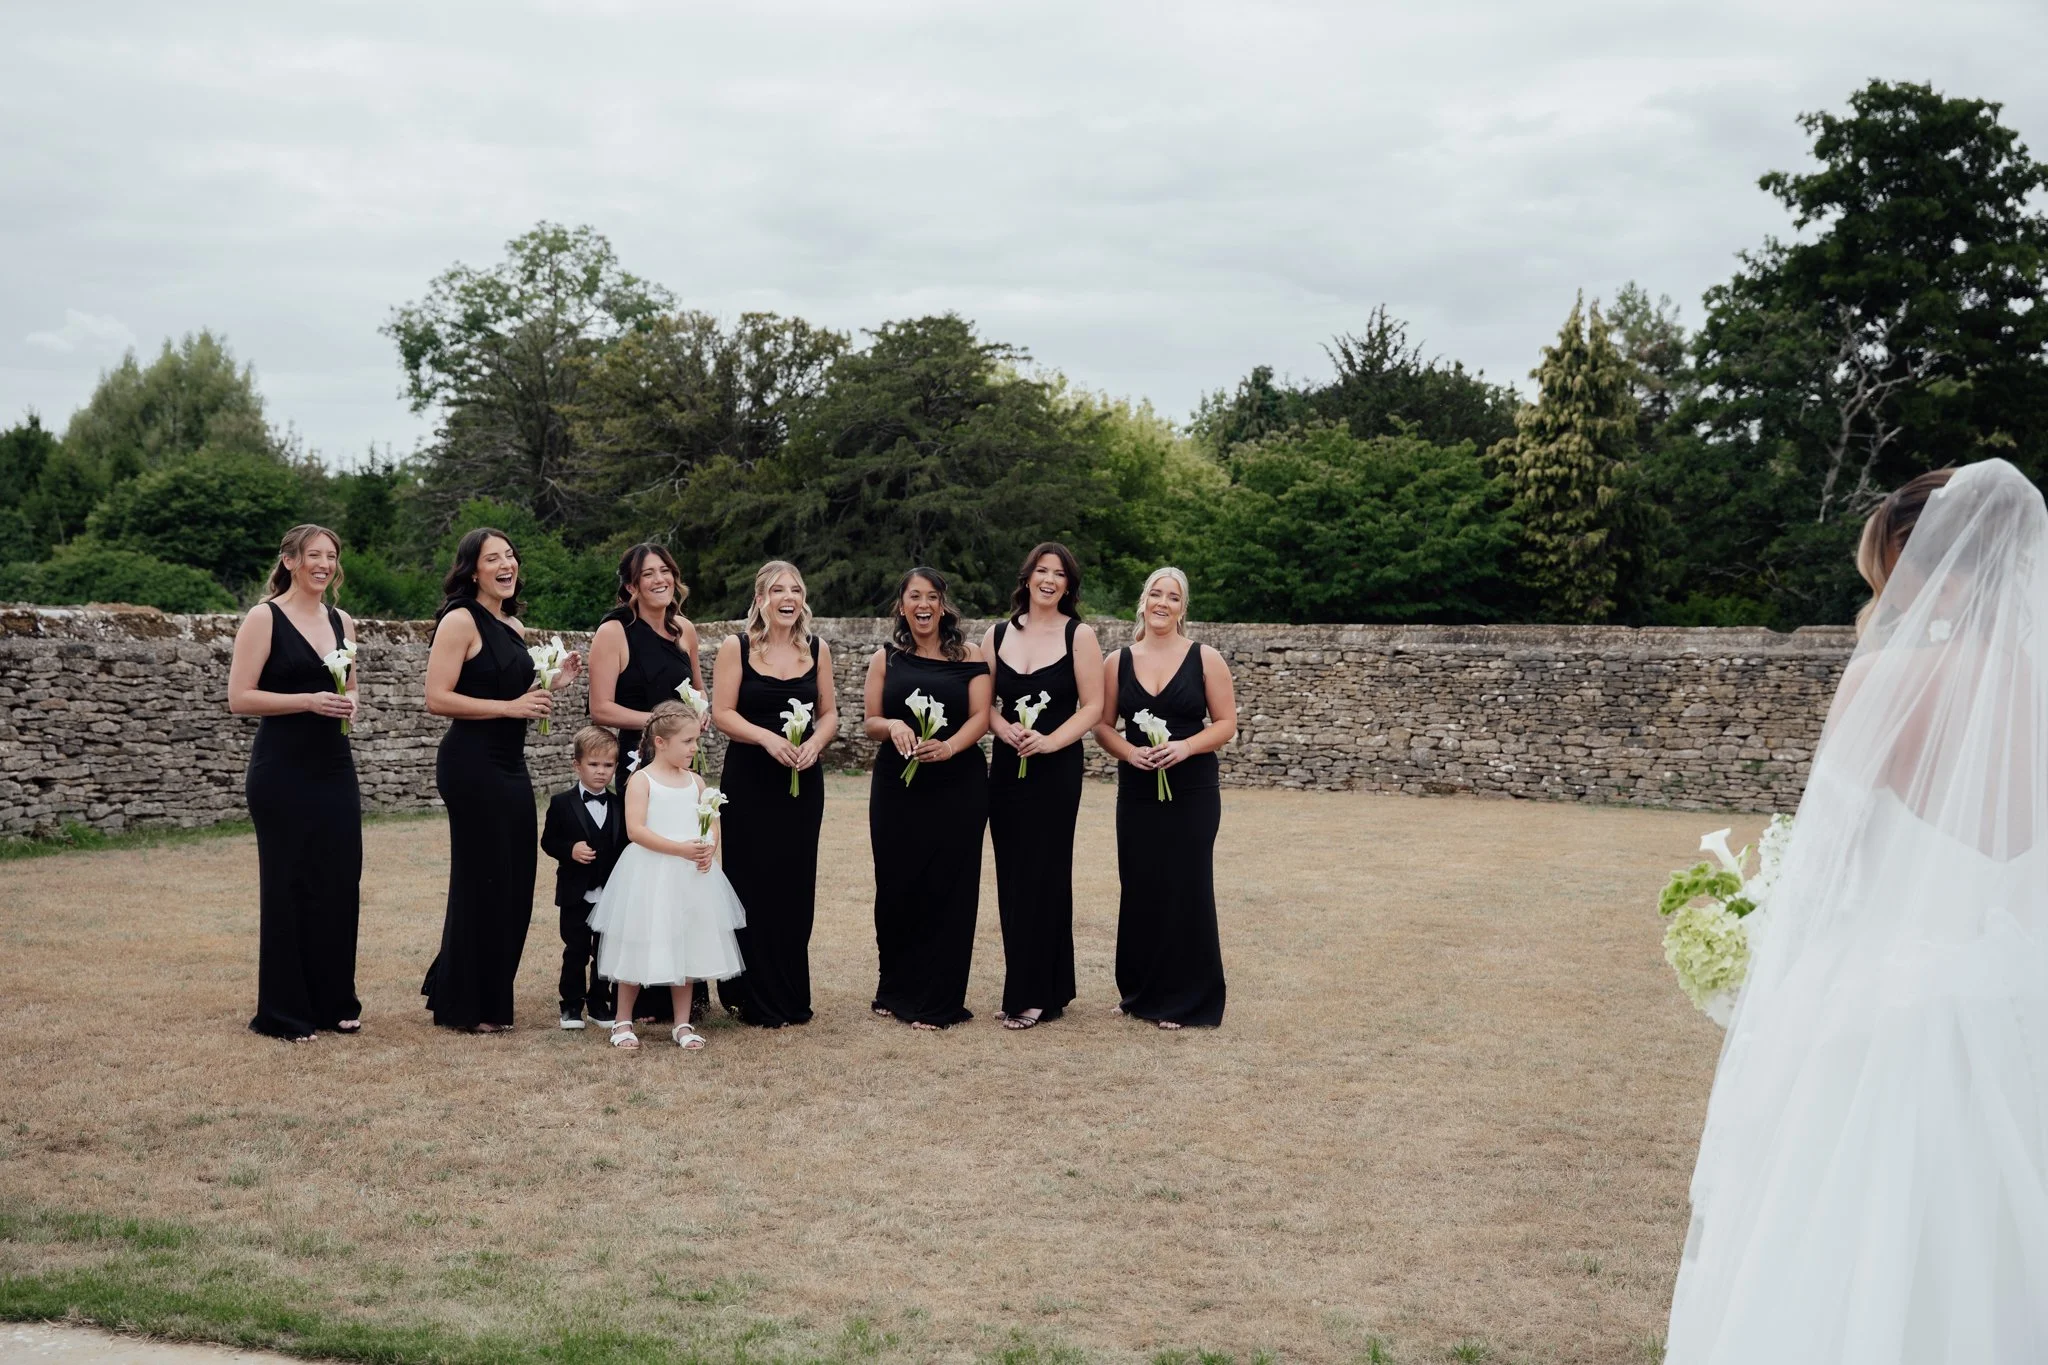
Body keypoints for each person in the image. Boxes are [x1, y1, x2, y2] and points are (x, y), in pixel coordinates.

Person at [1666, 460, 2048, 1362]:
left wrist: (1754, 930)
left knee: (1846, 1266)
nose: (1886, 600)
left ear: (1938, 570)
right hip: (2017, 1015)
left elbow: (1822, 874)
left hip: (1888, 1027)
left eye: (1890, 577)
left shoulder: (1891, 681)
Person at [420, 527, 581, 1033]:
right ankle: (467, 1004)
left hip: (510, 763)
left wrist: (552, 682)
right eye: (494, 558)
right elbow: (438, 697)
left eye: (510, 555)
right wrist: (511, 707)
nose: (506, 564)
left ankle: (479, 990)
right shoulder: (460, 619)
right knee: (483, 880)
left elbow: (511, 688)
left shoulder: (511, 624)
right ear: (473, 570)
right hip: (471, 763)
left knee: (514, 882)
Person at [226, 524, 363, 1042]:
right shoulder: (264, 618)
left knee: (338, 880)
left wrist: (350, 704)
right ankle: (284, 1011)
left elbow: (351, 686)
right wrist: (306, 701)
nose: (323, 564)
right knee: (288, 884)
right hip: (281, 770)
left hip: (334, 766)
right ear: (289, 561)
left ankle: (333, 1002)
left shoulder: (341, 619)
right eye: (313, 556)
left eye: (331, 556)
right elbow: (239, 697)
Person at [1092, 567, 1236, 1029]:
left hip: (1193, 789)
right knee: (1140, 885)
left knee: (1186, 887)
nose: (1163, 603)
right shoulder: (1117, 662)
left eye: (1173, 597)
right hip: (1137, 790)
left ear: (1182, 608)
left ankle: (1187, 1000)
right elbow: (1101, 725)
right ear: (1143, 601)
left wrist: (1185, 746)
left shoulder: (1205, 658)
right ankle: (1137, 992)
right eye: (1156, 594)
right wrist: (1130, 752)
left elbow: (1225, 724)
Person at [863, 566, 993, 1029]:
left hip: (958, 785)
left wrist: (951, 746)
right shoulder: (887, 658)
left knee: (950, 889)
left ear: (943, 605)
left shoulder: (970, 655)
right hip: (898, 785)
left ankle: (940, 1000)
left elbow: (981, 715)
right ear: (901, 605)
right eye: (914, 596)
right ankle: (894, 988)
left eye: (932, 597)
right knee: (897, 885)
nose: (923, 605)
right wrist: (895, 725)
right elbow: (871, 719)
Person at [711, 561, 839, 1027]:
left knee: (793, 885)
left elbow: (829, 714)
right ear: (760, 598)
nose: (788, 597)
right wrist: (766, 738)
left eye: (796, 589)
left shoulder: (817, 649)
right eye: (778, 589)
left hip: (803, 782)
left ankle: (790, 994)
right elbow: (722, 712)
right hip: (750, 780)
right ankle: (751, 995)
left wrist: (816, 744)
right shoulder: (736, 647)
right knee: (751, 882)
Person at [981, 543, 1104, 1030]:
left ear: (1069, 585)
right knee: (1012, 878)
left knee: (1045, 875)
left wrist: (1050, 742)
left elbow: (1093, 707)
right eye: (1041, 570)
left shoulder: (1081, 635)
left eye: (1059, 574)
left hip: (1056, 770)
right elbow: (983, 702)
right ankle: (1031, 984)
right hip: (1008, 770)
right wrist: (1002, 727)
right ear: (1027, 577)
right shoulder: (995, 634)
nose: (1049, 579)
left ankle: (1037, 994)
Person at [588, 701, 747, 1051]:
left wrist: (708, 848)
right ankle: (623, 1020)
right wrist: (680, 849)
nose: (694, 748)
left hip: (689, 876)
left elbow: (711, 822)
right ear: (660, 742)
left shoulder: (696, 781)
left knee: (686, 944)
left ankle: (682, 1023)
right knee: (638, 940)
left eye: (695, 742)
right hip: (650, 872)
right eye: (687, 742)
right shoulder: (641, 781)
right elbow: (636, 831)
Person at [540, 726, 628, 1030]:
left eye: (607, 765)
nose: (601, 772)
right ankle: (572, 1006)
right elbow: (548, 842)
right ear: (577, 764)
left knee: (604, 952)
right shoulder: (562, 803)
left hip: (610, 893)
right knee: (575, 949)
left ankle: (599, 1004)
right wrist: (570, 849)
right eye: (593, 764)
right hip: (576, 893)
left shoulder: (619, 805)